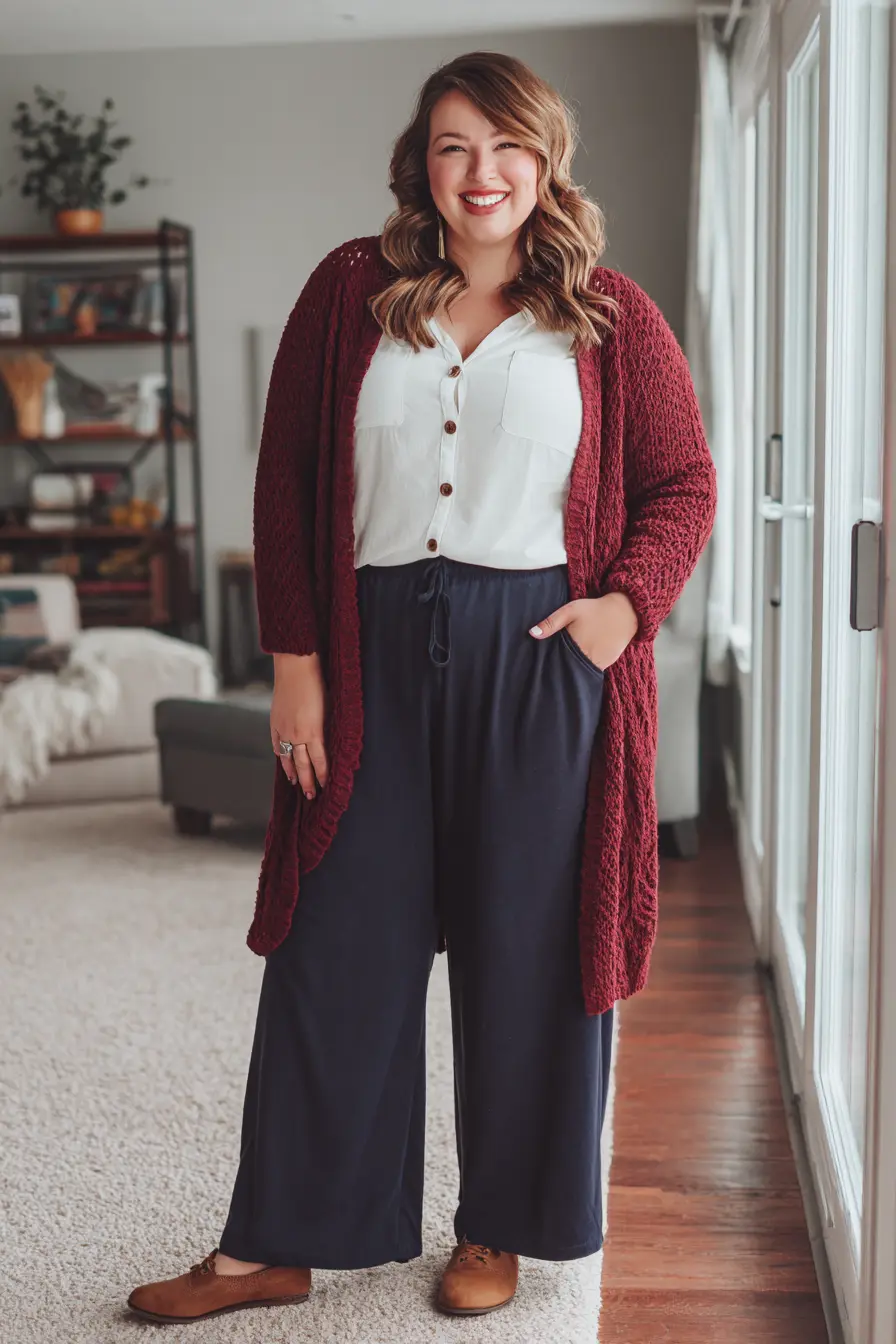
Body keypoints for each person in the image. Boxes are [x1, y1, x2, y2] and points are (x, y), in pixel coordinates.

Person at [127, 49, 716, 1325]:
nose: (481, 172)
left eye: (505, 146)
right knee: (334, 945)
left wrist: (623, 610)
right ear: (423, 165)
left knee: (524, 949)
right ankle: (273, 1242)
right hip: (366, 647)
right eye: (454, 146)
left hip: (540, 656)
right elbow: (286, 487)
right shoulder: (350, 293)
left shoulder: (610, 315)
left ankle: (498, 1227)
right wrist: (295, 672)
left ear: (545, 159)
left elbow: (683, 484)